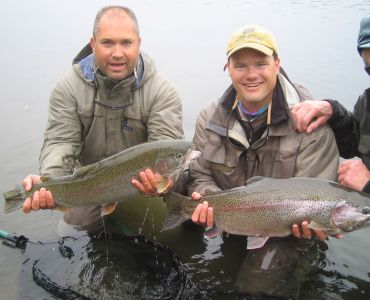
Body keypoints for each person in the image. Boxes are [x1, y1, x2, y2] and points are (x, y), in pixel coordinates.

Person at [184, 24, 341, 297]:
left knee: (254, 289)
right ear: (228, 68)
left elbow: (320, 193)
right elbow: (199, 174)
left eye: (261, 63)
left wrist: (313, 223)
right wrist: (209, 201)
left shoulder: (311, 123)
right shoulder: (209, 118)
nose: (251, 74)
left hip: (290, 234)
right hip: (232, 216)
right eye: (241, 65)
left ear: (277, 64)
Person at [21, 5, 184, 233]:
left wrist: (160, 182)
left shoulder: (162, 90)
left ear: (139, 43)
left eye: (126, 43)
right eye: (107, 43)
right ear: (93, 43)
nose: (117, 53)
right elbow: (60, 143)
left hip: (140, 186)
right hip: (87, 184)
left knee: (169, 233)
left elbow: (166, 146)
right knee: (68, 233)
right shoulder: (68, 87)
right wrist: (49, 182)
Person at [291, 14, 370, 193]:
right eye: (368, 64)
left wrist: (367, 184)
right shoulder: (366, 103)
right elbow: (353, 144)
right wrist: (332, 111)